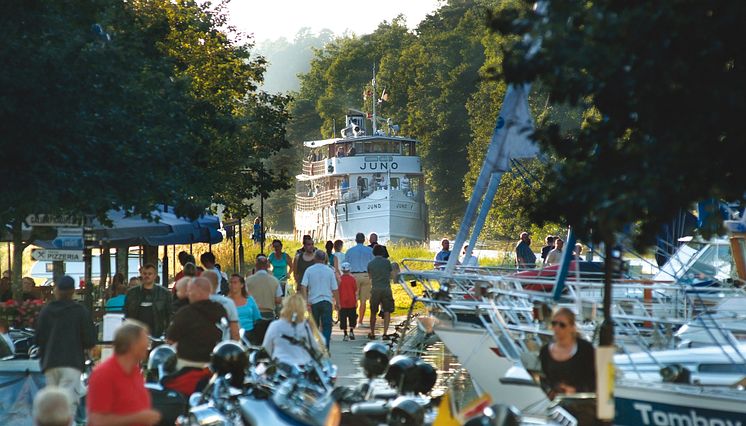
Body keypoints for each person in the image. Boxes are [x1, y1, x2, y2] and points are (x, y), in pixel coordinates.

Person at [35, 275, 96, 415]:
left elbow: (38, 339)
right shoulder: (80, 311)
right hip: (71, 362)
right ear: (73, 291)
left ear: (56, 290)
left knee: (51, 404)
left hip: (50, 362)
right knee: (67, 404)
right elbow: (89, 340)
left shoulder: (47, 310)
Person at [87, 320, 161, 426]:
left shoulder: (135, 372)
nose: (147, 346)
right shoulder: (104, 374)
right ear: (133, 345)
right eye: (145, 340)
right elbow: (97, 421)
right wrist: (138, 418)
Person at [166, 277, 227, 370]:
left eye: (190, 290)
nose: (188, 294)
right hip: (216, 363)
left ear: (198, 292)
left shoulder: (186, 313)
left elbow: (170, 339)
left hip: (188, 363)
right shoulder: (220, 310)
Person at [539, 308, 596, 399]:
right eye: (554, 323)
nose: (557, 328)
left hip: (582, 402)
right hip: (556, 402)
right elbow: (545, 380)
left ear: (572, 327)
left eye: (562, 325)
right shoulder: (545, 351)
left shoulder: (585, 349)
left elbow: (594, 380)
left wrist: (574, 390)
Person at [262, 294, 324, 366]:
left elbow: (266, 348)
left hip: (281, 365)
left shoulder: (275, 326)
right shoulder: (306, 326)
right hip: (302, 366)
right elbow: (319, 345)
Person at [300, 250, 340, 350]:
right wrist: (337, 303)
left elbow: (303, 286)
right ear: (325, 259)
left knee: (314, 326)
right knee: (327, 326)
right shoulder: (330, 270)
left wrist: (305, 301)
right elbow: (335, 288)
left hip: (314, 302)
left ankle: (314, 347)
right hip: (327, 301)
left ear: (315, 258)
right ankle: (325, 347)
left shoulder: (309, 270)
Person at [123, 263, 172, 337]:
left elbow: (170, 315)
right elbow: (126, 313)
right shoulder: (131, 293)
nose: (147, 276)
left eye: (150, 274)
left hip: (157, 334)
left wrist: (167, 333)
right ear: (141, 275)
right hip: (136, 334)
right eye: (145, 273)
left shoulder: (164, 293)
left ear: (155, 276)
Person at [345, 232, 374, 327]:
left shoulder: (350, 251)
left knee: (354, 298)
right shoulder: (370, 250)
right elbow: (372, 263)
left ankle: (353, 318)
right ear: (364, 240)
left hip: (354, 276)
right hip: (366, 275)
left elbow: (346, 265)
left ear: (356, 240)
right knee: (363, 300)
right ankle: (360, 321)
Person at [202, 270, 240, 341]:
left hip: (202, 346)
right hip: (223, 346)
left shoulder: (197, 303)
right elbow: (235, 331)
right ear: (217, 284)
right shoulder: (228, 303)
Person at [367, 245, 394, 340]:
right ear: (382, 252)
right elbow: (391, 275)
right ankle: (385, 333)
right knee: (387, 311)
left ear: (373, 252)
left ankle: (372, 332)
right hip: (386, 288)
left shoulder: (370, 263)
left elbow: (370, 277)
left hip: (375, 289)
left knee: (373, 312)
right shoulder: (387, 262)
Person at [337, 263, 358, 341]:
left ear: (342, 270)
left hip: (342, 302)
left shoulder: (339, 279)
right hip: (351, 301)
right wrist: (356, 301)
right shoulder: (353, 279)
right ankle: (351, 331)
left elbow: (337, 290)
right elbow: (355, 290)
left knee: (343, 319)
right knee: (352, 318)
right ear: (349, 269)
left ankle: (345, 334)